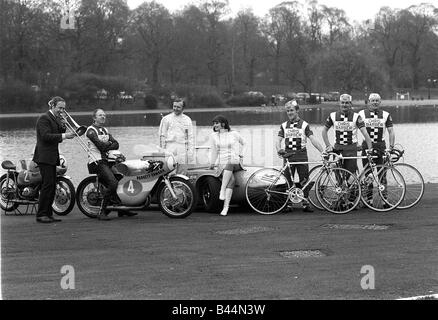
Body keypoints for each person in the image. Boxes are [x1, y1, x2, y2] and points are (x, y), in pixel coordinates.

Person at [86, 108, 137, 220]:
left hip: (107, 162)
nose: (103, 117)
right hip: (96, 162)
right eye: (100, 115)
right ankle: (102, 212)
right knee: (113, 184)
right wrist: (109, 143)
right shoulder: (90, 131)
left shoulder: (104, 130)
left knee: (122, 180)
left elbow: (116, 144)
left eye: (104, 115)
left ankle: (121, 210)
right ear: (94, 118)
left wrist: (107, 144)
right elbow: (101, 146)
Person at [276, 100, 325, 212]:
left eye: (292, 110)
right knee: (288, 180)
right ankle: (288, 204)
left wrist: (322, 151)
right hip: (288, 155)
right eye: (288, 111)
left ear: (297, 110)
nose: (290, 113)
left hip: (301, 154)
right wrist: (279, 149)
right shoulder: (284, 125)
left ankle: (305, 202)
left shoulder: (304, 124)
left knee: (304, 180)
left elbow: (312, 139)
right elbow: (278, 140)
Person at [33, 96, 75, 223]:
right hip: (44, 156)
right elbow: (46, 136)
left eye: (63, 108)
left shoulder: (55, 118)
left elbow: (59, 131)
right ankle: (41, 214)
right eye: (60, 108)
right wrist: (64, 135)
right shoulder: (44, 118)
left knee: (51, 186)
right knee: (47, 185)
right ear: (52, 106)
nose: (61, 111)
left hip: (51, 156)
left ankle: (48, 213)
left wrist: (63, 124)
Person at [322, 93, 373, 174]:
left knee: (351, 177)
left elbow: (365, 133)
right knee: (338, 177)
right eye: (342, 102)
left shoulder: (356, 116)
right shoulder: (332, 115)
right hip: (337, 149)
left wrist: (370, 149)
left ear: (350, 104)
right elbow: (324, 131)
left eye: (346, 103)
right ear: (339, 103)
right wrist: (328, 145)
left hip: (351, 150)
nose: (344, 105)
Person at [359, 93, 395, 203]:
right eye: (372, 100)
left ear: (380, 102)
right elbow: (354, 128)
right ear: (368, 102)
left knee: (382, 174)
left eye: (377, 100)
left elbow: (391, 131)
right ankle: (369, 200)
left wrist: (391, 147)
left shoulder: (386, 114)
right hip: (367, 147)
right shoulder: (361, 113)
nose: (374, 102)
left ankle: (385, 200)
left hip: (380, 146)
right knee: (368, 175)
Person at [208, 115, 245, 216]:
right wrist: (212, 163)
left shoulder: (234, 133)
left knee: (231, 161)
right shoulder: (213, 136)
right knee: (232, 180)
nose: (214, 125)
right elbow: (214, 151)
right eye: (214, 123)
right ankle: (226, 207)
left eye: (216, 123)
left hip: (235, 161)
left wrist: (241, 154)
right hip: (221, 162)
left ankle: (222, 190)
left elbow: (244, 143)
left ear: (223, 124)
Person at [158, 99, 194, 172]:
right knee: (169, 171)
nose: (175, 109)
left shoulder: (187, 120)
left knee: (182, 172)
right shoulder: (166, 119)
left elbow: (190, 137)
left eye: (178, 107)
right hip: (169, 148)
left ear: (183, 108)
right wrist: (162, 151)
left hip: (182, 149)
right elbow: (162, 136)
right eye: (174, 106)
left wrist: (190, 152)